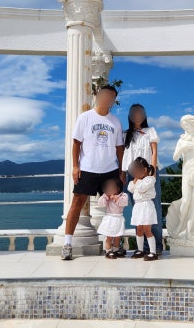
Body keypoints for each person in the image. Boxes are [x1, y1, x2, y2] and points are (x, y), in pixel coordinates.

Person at [62, 84, 125, 260]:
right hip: (88, 168)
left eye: (111, 97)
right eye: (104, 95)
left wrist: (122, 170)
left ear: (113, 100)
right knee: (76, 205)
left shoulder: (115, 121)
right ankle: (67, 244)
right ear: (98, 95)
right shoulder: (85, 117)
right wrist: (75, 167)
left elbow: (119, 148)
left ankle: (113, 246)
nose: (107, 99)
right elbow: (76, 143)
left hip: (110, 169)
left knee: (115, 207)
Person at [120, 103, 163, 255]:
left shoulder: (150, 131)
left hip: (149, 172)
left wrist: (152, 171)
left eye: (140, 112)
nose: (137, 115)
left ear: (144, 115)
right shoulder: (125, 134)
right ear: (130, 116)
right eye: (134, 113)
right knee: (138, 209)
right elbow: (123, 155)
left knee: (153, 208)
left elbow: (154, 151)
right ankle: (142, 248)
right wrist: (122, 172)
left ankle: (156, 247)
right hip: (131, 174)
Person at [128, 157, 159, 261]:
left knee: (147, 229)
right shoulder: (137, 180)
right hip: (138, 207)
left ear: (144, 170)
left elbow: (141, 189)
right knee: (139, 229)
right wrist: (136, 179)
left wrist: (137, 180)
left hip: (146, 206)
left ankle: (153, 252)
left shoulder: (150, 179)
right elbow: (130, 188)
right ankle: (140, 250)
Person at [96, 178, 129, 259]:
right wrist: (105, 197)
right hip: (110, 218)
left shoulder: (123, 196)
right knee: (109, 236)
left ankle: (116, 250)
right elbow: (101, 204)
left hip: (118, 218)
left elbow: (124, 203)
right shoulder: (106, 196)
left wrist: (115, 198)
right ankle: (108, 251)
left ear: (118, 188)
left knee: (118, 236)